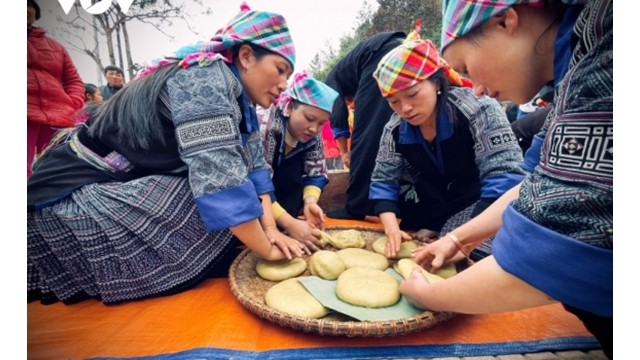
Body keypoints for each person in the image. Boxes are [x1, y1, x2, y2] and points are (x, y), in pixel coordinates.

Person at [27, 4, 305, 306]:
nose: (283, 85)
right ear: (247, 56)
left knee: (238, 199)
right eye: (280, 70)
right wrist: (267, 250)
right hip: (75, 188)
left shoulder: (243, 103)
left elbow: (253, 169)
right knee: (204, 197)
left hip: (122, 178)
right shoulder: (204, 78)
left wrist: (271, 228)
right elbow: (220, 179)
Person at [400, 0, 612, 357]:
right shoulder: (572, 77)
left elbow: (556, 240)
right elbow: (534, 181)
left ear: (504, 21)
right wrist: (457, 238)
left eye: (465, 66)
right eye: (394, 103)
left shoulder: (607, 46)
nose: (476, 87)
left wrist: (430, 295)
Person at [370, 38, 525, 260]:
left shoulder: (478, 109)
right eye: (394, 102)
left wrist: (460, 239)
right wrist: (391, 228)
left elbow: (504, 178)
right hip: (438, 199)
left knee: (482, 252)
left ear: (436, 83)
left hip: (483, 199)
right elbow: (384, 179)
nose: (405, 108)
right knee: (429, 238)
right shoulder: (395, 128)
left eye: (412, 94)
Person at [324, 31, 407, 220]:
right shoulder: (348, 74)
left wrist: (345, 152)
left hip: (383, 54)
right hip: (401, 51)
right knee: (390, 130)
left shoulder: (332, 79)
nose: (350, 103)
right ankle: (390, 202)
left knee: (366, 134)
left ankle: (357, 206)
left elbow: (337, 116)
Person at [258, 72, 339, 251]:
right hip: (257, 200)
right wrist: (289, 224)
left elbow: (316, 171)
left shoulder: (312, 134)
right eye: (309, 118)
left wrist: (310, 202)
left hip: (281, 200)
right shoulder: (266, 127)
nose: (314, 128)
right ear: (289, 107)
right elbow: (258, 184)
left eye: (321, 123)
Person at [27, 0, 85, 179]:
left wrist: (72, 102)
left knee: (63, 168)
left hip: (57, 115)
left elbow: (74, 81)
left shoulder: (56, 47)